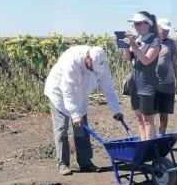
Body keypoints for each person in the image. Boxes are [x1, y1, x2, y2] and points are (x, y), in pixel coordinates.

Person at [43, 45, 124, 175]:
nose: (94, 70)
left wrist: (116, 110)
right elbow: (68, 90)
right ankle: (63, 163)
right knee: (62, 128)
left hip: (81, 95)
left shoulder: (101, 63)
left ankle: (85, 163)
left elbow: (108, 87)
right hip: (59, 92)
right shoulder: (71, 60)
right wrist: (75, 114)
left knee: (81, 129)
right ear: (88, 57)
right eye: (92, 66)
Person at [123, 11, 161, 140]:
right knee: (139, 119)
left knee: (147, 119)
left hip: (147, 84)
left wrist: (134, 45)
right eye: (134, 24)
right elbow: (128, 59)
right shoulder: (138, 40)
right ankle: (144, 147)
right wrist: (126, 47)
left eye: (139, 23)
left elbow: (146, 60)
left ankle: (150, 147)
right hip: (135, 83)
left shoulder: (154, 41)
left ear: (148, 24)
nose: (136, 26)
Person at [154, 19, 177, 136]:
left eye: (167, 30)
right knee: (149, 112)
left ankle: (161, 135)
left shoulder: (171, 43)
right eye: (163, 29)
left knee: (164, 113)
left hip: (167, 83)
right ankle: (150, 137)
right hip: (152, 83)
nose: (165, 32)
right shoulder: (150, 42)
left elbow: (176, 63)